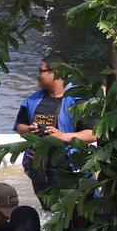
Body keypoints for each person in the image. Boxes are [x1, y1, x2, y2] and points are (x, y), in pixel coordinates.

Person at [13, 52, 98, 208]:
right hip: (41, 172)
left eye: (41, 71)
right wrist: (30, 131)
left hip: (73, 171)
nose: (38, 75)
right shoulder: (32, 100)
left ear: (56, 73)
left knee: (84, 214)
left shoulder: (79, 100)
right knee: (51, 217)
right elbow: (19, 126)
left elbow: (93, 133)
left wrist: (63, 136)